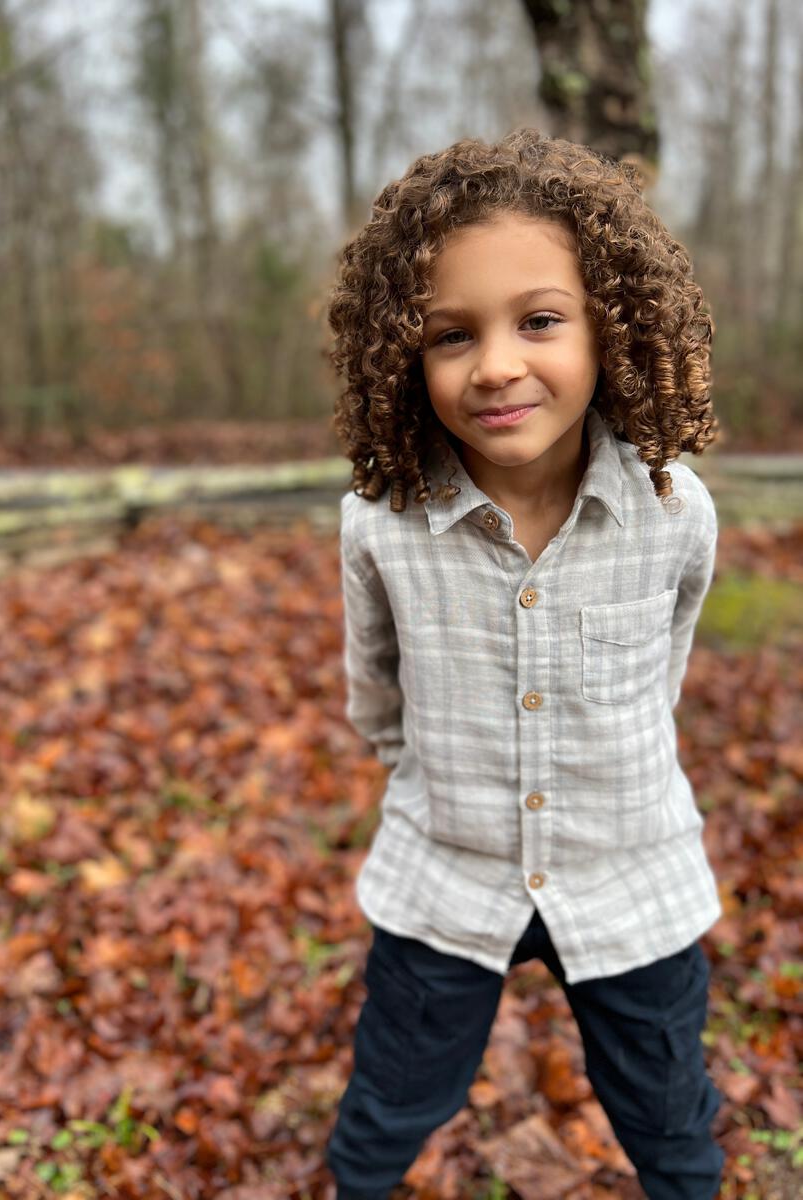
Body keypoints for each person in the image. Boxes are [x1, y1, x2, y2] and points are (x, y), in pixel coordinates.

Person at [324, 128, 726, 1200]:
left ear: (613, 329)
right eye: (451, 335)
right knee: (386, 1108)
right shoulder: (383, 524)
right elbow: (377, 688)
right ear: (403, 356)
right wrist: (433, 773)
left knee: (671, 1120)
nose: (496, 363)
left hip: (629, 871)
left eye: (540, 322)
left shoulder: (674, 513)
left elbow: (663, 671)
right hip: (444, 876)